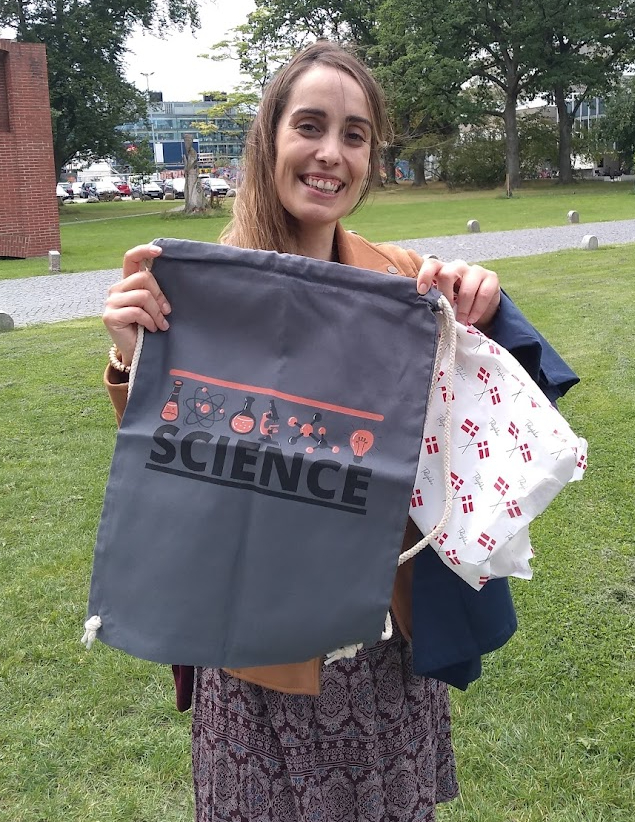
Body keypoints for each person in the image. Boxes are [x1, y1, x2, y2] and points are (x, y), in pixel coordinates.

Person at [101, 41, 578, 822]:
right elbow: (178, 478)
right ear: (269, 138)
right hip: (257, 647)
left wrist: (484, 309)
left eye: (353, 135)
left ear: (369, 158)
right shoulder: (201, 294)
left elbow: (498, 414)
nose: (330, 153)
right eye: (310, 126)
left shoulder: (402, 282)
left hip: (380, 642)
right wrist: (137, 360)